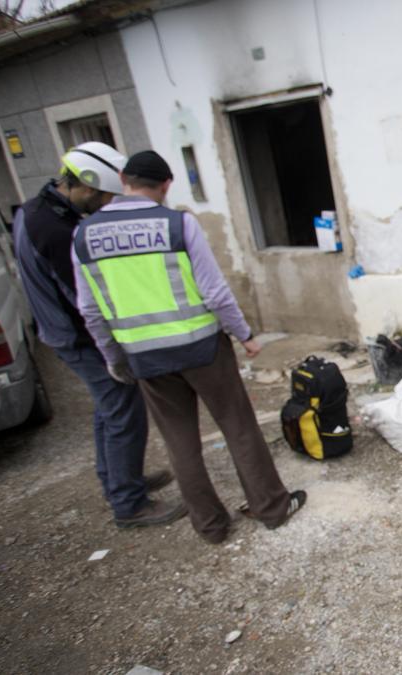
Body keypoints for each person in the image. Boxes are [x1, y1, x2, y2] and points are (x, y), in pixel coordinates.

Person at [72, 150, 305, 544]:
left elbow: (90, 310)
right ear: (165, 185)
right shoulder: (177, 224)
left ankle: (211, 526)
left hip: (144, 356)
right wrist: (244, 334)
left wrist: (115, 358)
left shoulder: (85, 235)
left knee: (180, 442)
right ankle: (271, 507)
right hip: (202, 349)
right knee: (238, 426)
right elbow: (214, 291)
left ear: (123, 179)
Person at [13, 141, 185, 528]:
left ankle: (118, 481)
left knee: (108, 409)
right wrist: (116, 344)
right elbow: (84, 301)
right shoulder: (55, 230)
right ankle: (130, 503)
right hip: (77, 336)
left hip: (62, 332)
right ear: (87, 187)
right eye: (106, 196)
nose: (107, 205)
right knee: (124, 409)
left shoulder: (34, 210)